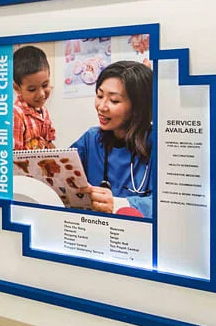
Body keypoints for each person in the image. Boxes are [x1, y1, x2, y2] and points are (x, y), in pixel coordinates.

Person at [72, 61, 154, 217]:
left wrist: (117, 205)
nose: (101, 107)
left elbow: (168, 205)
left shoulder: (158, 143)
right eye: (99, 96)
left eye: (114, 100)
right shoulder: (91, 140)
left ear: (138, 106)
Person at [12, 45, 57, 150]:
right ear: (17, 88)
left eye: (45, 85)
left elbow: (48, 143)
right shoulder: (16, 115)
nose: (41, 94)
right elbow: (15, 156)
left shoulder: (43, 110)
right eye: (32, 89)